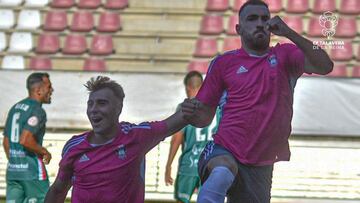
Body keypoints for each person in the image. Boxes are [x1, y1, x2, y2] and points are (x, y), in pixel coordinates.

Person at [181, 0, 334, 202]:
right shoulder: (224, 63)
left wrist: (289, 33)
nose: (260, 23)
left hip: (261, 163)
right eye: (252, 19)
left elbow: (325, 66)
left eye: (265, 18)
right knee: (222, 173)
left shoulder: (285, 55)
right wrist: (190, 111)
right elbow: (203, 118)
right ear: (239, 28)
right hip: (225, 149)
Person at [44, 76, 189, 203]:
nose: (93, 109)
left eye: (102, 103)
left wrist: (195, 104)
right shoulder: (74, 147)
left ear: (118, 108)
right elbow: (58, 190)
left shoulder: (135, 137)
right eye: (90, 104)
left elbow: (174, 122)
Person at [165, 71, 221, 203]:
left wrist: (168, 165)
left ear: (188, 87)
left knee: (182, 200)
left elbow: (176, 139)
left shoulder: (185, 107)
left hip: (189, 166)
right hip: (211, 166)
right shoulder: (216, 108)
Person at [2, 72, 54, 203]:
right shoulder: (37, 110)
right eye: (49, 87)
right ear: (38, 90)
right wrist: (44, 151)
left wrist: (16, 161)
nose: (52, 90)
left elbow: (6, 141)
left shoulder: (15, 108)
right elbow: (25, 140)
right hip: (32, 172)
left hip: (14, 171)